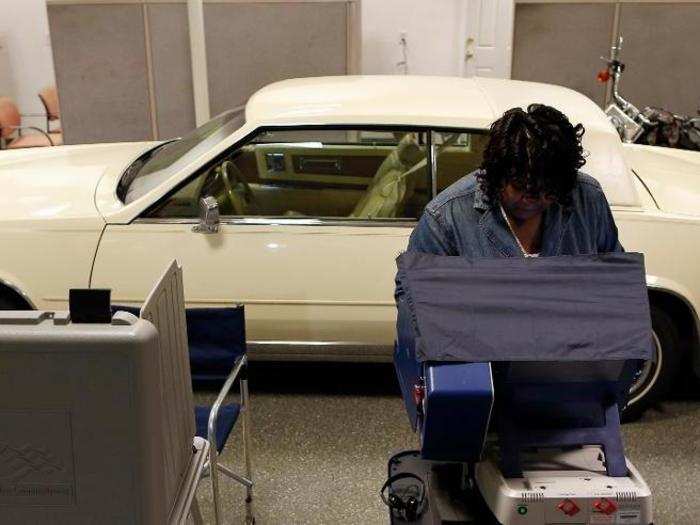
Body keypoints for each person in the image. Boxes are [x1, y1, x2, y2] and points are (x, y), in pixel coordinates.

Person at [407, 104, 623, 258]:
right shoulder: (445, 218)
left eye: (546, 190)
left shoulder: (588, 199)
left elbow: (616, 283)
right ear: (496, 173)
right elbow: (416, 302)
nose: (531, 199)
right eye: (521, 186)